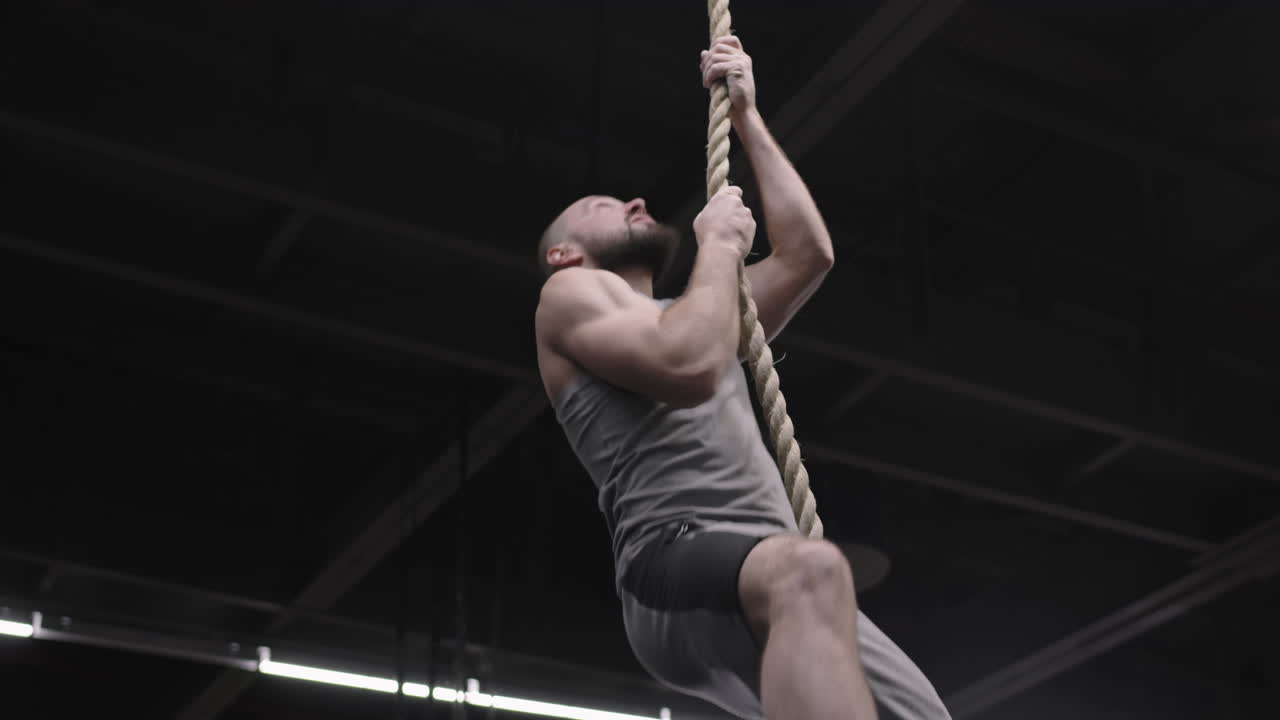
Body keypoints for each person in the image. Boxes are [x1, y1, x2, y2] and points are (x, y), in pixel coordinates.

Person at [533, 35, 951, 720]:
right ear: (564, 252)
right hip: (674, 558)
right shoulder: (570, 298)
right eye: (604, 206)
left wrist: (749, 116)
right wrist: (721, 244)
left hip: (769, 565)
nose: (636, 201)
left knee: (924, 712)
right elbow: (689, 366)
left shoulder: (699, 310)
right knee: (814, 569)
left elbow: (807, 254)